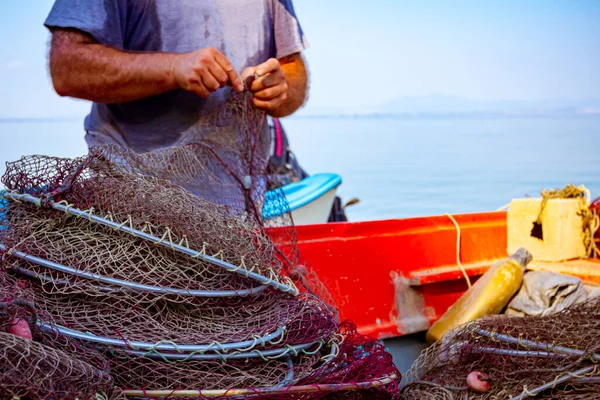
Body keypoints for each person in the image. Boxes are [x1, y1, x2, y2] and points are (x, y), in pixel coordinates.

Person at [43, 1, 309, 157]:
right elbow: (66, 68)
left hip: (243, 210)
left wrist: (279, 87)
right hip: (131, 204)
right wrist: (172, 69)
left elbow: (293, 70)